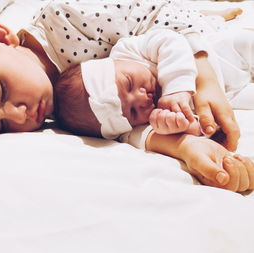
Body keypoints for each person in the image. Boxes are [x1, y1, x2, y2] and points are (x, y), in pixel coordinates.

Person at [0, 0, 242, 149]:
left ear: (0, 36)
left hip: (179, 31)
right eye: (1, 126)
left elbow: (158, 14)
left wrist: (202, 79)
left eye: (3, 92)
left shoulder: (67, 20)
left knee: (206, 24)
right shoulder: (57, 116)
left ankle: (214, 11)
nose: (19, 115)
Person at [53, 28, 254, 192]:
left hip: (223, 57)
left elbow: (170, 39)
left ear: (113, 62)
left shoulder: (128, 51)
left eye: (129, 82)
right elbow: (146, 136)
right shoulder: (147, 123)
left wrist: (176, 88)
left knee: (245, 41)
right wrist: (185, 126)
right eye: (132, 112)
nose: (141, 98)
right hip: (232, 94)